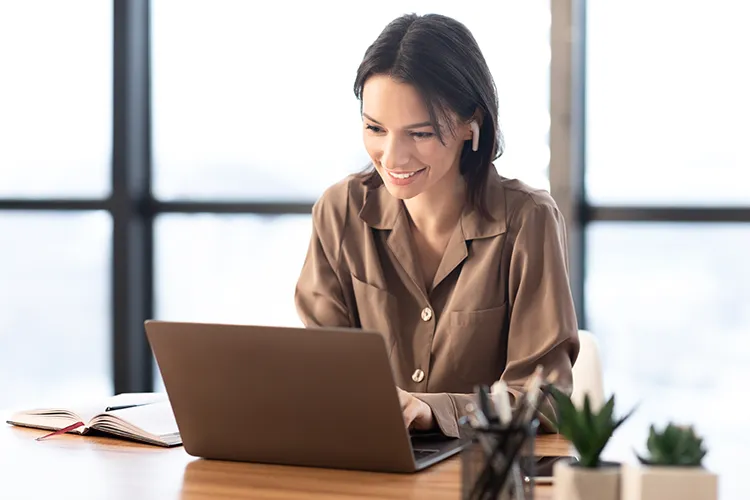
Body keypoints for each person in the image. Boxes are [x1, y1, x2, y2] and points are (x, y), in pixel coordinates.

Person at [295, 13, 579, 438]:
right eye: (375, 128)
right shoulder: (340, 211)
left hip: (479, 476)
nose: (392, 157)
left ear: (472, 125)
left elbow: (543, 400)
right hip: (365, 468)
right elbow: (322, 375)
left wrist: (432, 412)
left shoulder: (527, 221)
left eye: (420, 134)